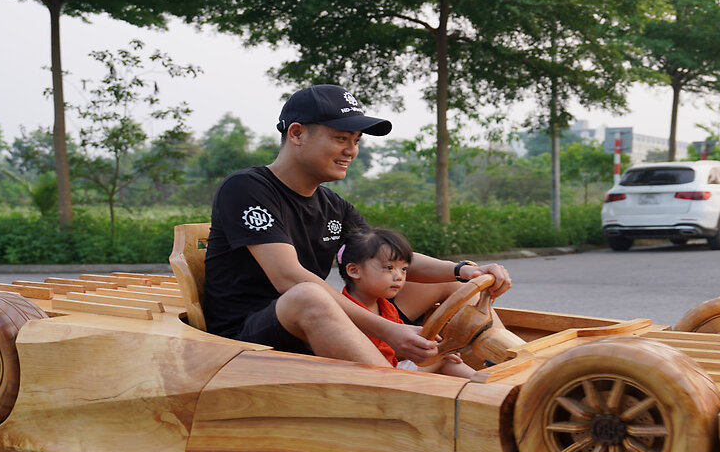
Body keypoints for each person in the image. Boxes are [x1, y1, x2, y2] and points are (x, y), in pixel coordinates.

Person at [202, 83, 511, 367]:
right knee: (307, 294)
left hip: (317, 323)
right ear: (296, 133)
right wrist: (390, 331)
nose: (351, 151)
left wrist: (463, 270)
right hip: (248, 341)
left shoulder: (333, 206)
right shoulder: (246, 188)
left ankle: (513, 365)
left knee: (454, 282)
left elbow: (389, 259)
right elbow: (289, 278)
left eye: (355, 140)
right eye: (340, 138)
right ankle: (400, 396)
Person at [335, 227, 475, 377]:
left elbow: (402, 347)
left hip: (392, 369)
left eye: (403, 269)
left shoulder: (385, 306)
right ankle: (492, 391)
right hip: (373, 378)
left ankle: (492, 388)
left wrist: (436, 350)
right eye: (389, 268)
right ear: (354, 271)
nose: (399, 277)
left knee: (448, 359)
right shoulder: (346, 312)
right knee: (445, 360)